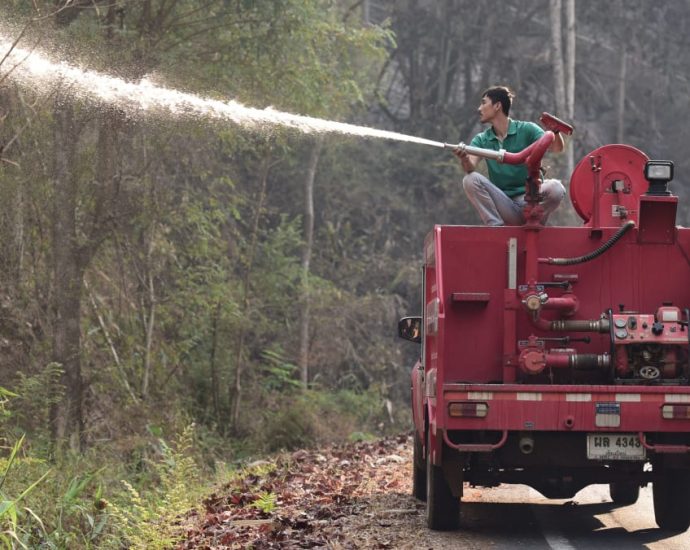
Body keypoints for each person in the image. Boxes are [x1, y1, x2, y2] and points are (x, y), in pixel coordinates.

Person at [455, 86, 566, 226]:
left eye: (483, 103)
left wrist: (554, 132)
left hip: (531, 200)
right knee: (470, 179)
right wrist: (464, 158)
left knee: (556, 187)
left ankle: (533, 218)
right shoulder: (481, 139)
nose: (479, 108)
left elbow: (556, 148)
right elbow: (469, 167)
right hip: (505, 205)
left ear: (497, 106)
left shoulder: (527, 129)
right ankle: (496, 227)